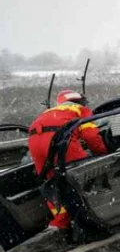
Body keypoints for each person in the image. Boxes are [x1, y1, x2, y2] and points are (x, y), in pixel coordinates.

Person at [27, 89, 108, 232]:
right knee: (83, 177)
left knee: (52, 182)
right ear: (79, 100)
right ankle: (88, 221)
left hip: (34, 142)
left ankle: (60, 223)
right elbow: (91, 137)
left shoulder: (50, 111)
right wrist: (103, 152)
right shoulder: (80, 109)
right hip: (60, 141)